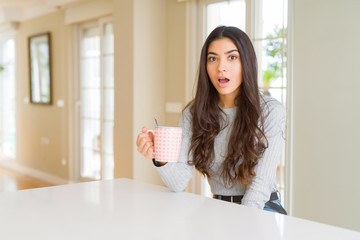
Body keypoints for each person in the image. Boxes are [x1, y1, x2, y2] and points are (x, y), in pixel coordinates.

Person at [136, 26, 287, 214]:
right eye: (212, 58)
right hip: (219, 207)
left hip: (262, 207)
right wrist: (159, 157)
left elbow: (260, 186)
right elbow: (178, 182)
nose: (220, 67)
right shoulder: (194, 112)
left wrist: (241, 226)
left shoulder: (271, 111)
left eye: (232, 57)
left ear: (246, 62)